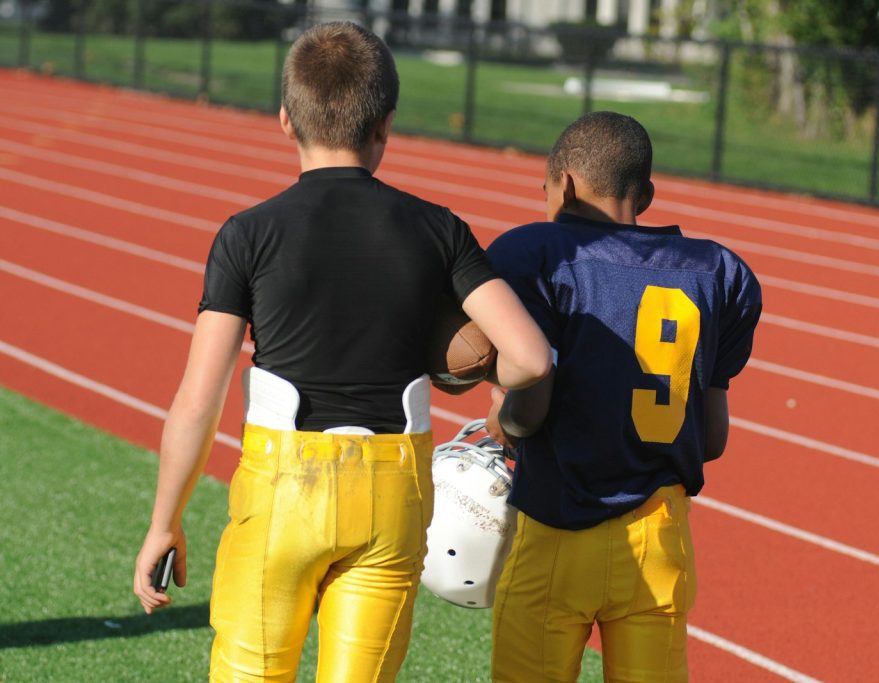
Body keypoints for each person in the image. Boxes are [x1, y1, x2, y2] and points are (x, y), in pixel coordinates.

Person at [132, 21, 552, 682]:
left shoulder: (247, 234)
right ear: (385, 125)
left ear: (284, 120)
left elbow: (198, 397)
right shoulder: (439, 228)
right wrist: (449, 362)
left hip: (282, 486)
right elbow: (530, 357)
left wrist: (165, 522)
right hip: (393, 490)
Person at [484, 111, 762, 682]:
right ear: (648, 194)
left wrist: (501, 421)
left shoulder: (537, 253)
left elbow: (529, 410)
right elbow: (711, 439)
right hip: (660, 537)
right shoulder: (719, 273)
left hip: (556, 531)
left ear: (561, 184)